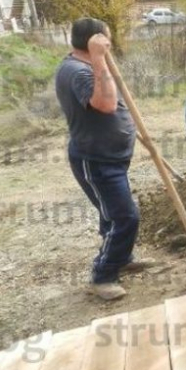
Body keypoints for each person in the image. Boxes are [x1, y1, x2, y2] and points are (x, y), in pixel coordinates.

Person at [55, 17, 148, 301]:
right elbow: (106, 104)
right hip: (96, 160)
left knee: (112, 213)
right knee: (125, 217)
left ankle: (123, 256)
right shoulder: (78, 71)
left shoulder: (83, 66)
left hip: (110, 157)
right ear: (94, 41)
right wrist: (98, 59)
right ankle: (104, 274)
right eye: (105, 40)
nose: (110, 45)